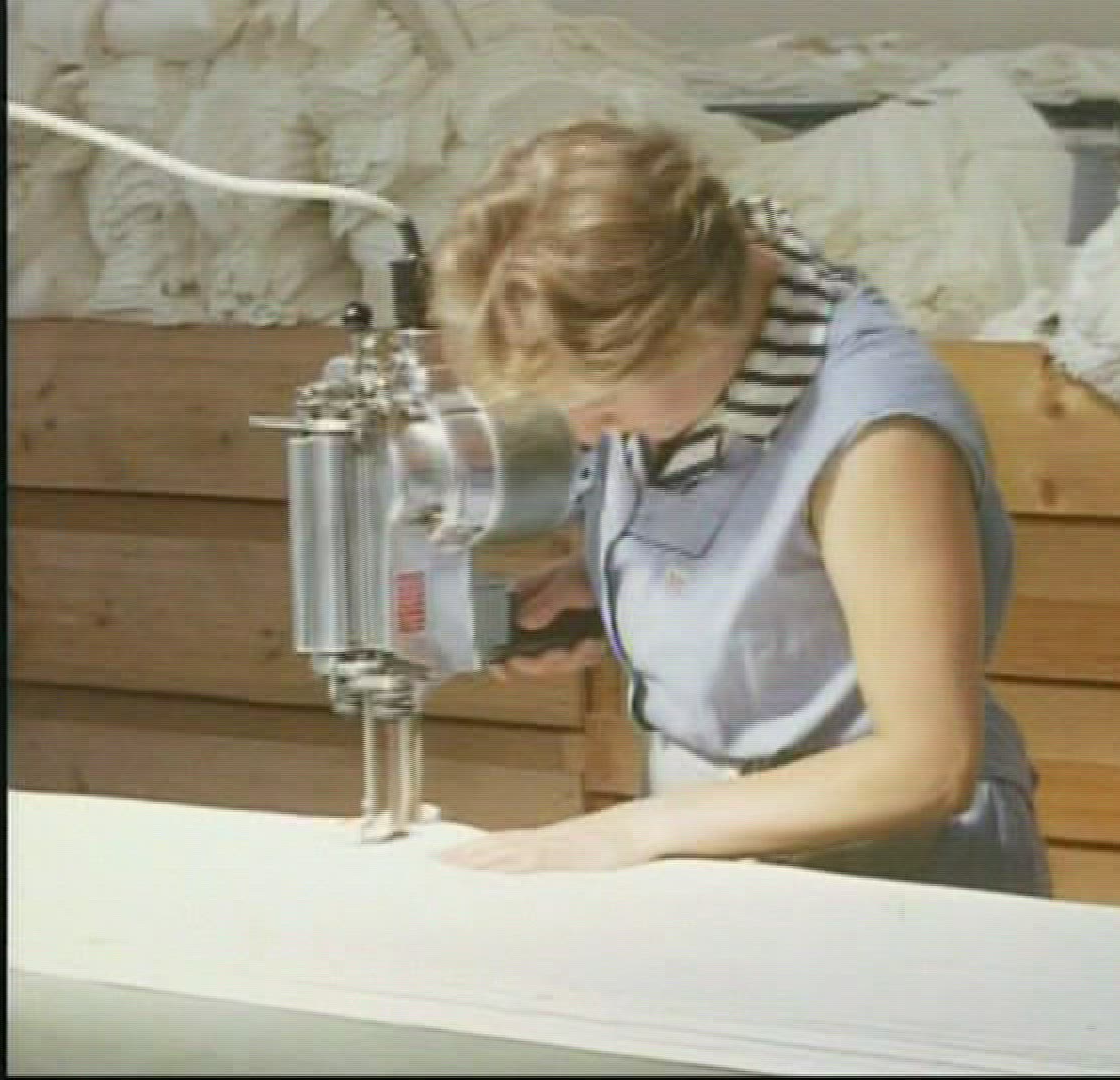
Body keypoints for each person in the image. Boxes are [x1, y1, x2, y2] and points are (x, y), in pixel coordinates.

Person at [429, 119, 1051, 895]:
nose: (587, 433)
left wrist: (626, 830)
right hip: (722, 847)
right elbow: (762, 559)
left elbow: (926, 766)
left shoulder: (875, 433)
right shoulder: (690, 367)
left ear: (691, 323)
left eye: (605, 407)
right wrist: (609, 589)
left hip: (897, 873)